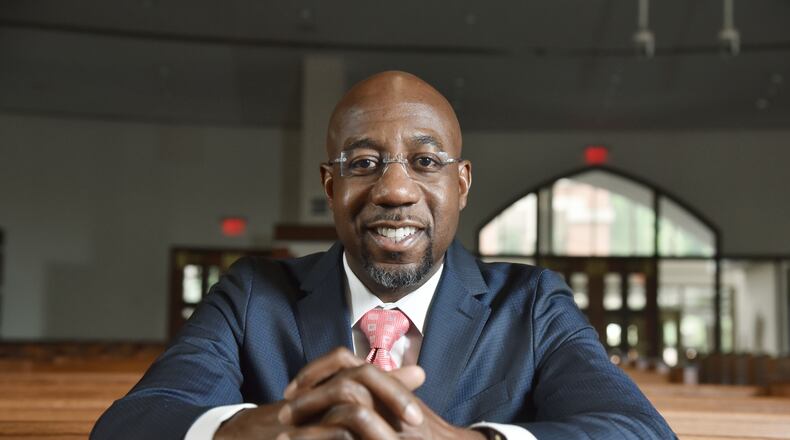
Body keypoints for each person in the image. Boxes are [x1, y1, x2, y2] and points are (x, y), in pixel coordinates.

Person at [92, 71, 675, 439]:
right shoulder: (251, 295)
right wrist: (258, 431)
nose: (394, 191)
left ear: (463, 183)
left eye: (425, 162)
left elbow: (636, 431)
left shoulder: (533, 304)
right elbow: (132, 423)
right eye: (364, 164)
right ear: (329, 186)